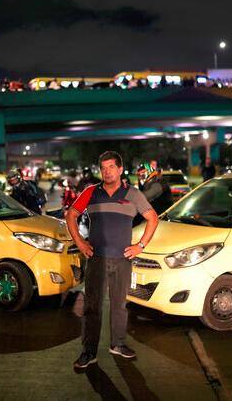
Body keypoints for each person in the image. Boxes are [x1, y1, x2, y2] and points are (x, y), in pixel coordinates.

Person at [66, 151, 158, 369]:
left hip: (122, 260)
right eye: (103, 168)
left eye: (111, 167)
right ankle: (89, 352)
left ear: (119, 169)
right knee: (92, 307)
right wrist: (80, 242)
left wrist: (140, 246)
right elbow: (71, 214)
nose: (107, 172)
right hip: (96, 259)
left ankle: (117, 344)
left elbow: (152, 218)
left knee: (119, 305)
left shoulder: (133, 194)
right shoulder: (91, 192)